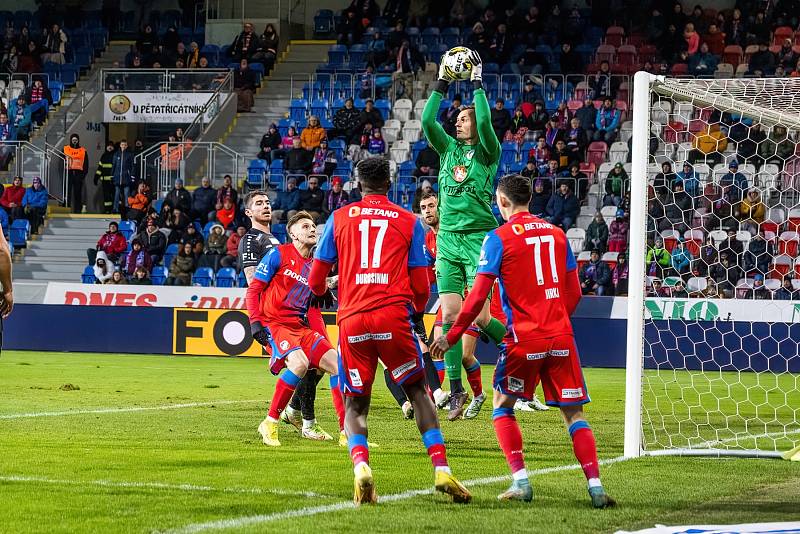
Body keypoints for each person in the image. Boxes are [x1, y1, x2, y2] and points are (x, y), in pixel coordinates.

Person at [429, 173, 615, 507]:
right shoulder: (558, 235)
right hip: (560, 337)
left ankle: (521, 482)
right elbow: (574, 293)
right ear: (530, 198)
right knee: (575, 415)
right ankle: (596, 487)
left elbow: (476, 298)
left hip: (523, 340)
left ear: (502, 201)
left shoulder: (498, 238)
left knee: (502, 407)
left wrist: (452, 334)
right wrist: (554, 319)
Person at [309, 157, 471, 505]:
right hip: (393, 317)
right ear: (390, 182)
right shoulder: (409, 222)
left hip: (352, 319)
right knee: (417, 391)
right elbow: (421, 285)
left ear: (358, 183)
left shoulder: (338, 218)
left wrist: (332, 290)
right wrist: (411, 310)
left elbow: (316, 281)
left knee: (356, 401)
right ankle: (441, 468)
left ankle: (362, 468)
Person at [421, 49, 508, 418]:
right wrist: (442, 81)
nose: (457, 124)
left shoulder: (489, 151)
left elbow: (486, 122)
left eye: (463, 119)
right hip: (448, 241)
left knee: (479, 318)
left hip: (478, 240)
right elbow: (427, 120)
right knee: (451, 315)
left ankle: (527, 346)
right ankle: (455, 389)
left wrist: (475, 84)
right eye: (455, 119)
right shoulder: (447, 151)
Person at [247, 210, 344, 446]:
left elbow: (320, 291)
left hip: (299, 327)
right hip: (274, 324)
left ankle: (347, 431)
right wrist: (254, 322)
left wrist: (324, 291)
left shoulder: (315, 267)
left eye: (313, 226)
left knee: (340, 366)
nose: (312, 229)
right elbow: (253, 290)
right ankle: (270, 422)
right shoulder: (278, 254)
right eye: (305, 226)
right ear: (292, 234)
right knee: (299, 364)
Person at [64, 133, 89, 214]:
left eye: (76, 140)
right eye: (73, 140)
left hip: (79, 174)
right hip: (69, 173)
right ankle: (66, 207)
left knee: (78, 193)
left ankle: (78, 209)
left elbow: (86, 164)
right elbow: (62, 159)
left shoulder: (83, 150)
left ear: (78, 140)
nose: (74, 141)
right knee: (67, 192)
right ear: (71, 140)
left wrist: (83, 175)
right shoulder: (66, 148)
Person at [111, 139, 135, 215]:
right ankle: (115, 209)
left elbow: (132, 166)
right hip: (117, 177)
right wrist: (112, 175)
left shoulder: (129, 154)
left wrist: (132, 175)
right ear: (120, 145)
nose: (123, 146)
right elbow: (113, 166)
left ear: (127, 146)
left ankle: (127, 208)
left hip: (126, 177)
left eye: (125, 145)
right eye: (122, 145)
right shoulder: (116, 154)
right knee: (117, 193)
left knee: (127, 193)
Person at [94, 141, 116, 213]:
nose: (109, 147)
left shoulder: (115, 156)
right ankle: (107, 210)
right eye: (108, 146)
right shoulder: (103, 156)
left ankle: (113, 209)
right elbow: (100, 168)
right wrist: (96, 177)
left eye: (111, 146)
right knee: (106, 196)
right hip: (104, 180)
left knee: (113, 195)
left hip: (113, 180)